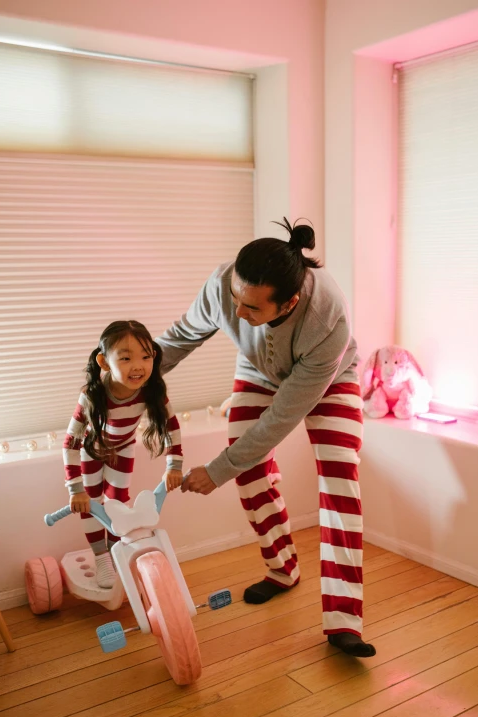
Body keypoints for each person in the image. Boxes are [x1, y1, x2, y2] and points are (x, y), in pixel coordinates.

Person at [156, 218, 376, 658]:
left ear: (289, 302)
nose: (238, 313)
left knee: (339, 481)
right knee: (250, 473)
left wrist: (218, 468)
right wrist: (131, 376)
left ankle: (343, 620)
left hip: (329, 379)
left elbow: (281, 418)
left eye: (253, 309)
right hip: (258, 370)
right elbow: (181, 337)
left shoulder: (327, 318)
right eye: (236, 299)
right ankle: (282, 570)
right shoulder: (224, 285)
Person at [63, 320, 183, 588]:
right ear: (104, 362)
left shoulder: (151, 392)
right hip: (92, 452)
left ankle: (117, 551)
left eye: (145, 356)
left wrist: (174, 466)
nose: (138, 366)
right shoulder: (92, 395)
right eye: (126, 358)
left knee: (118, 503)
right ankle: (102, 556)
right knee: (91, 504)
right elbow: (70, 442)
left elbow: (171, 427)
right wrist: (75, 489)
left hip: (123, 450)